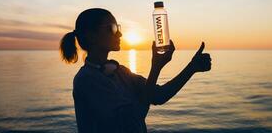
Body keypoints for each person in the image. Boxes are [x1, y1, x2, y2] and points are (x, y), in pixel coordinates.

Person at [59, 8, 212, 133]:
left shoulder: (120, 72)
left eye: (118, 28)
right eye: (112, 28)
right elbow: (131, 121)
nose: (119, 33)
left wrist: (192, 68)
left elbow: (158, 95)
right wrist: (156, 68)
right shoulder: (87, 80)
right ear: (91, 36)